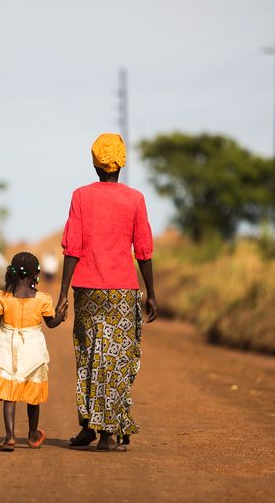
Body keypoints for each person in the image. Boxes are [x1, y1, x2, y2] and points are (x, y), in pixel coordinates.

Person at [56, 132, 158, 452]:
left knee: (89, 356)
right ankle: (107, 431)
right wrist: (151, 292)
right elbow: (143, 250)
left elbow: (72, 248)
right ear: (121, 163)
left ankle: (90, 424)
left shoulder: (81, 196)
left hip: (87, 289)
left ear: (95, 162)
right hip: (123, 291)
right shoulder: (135, 199)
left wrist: (62, 294)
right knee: (115, 359)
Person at [0, 252, 67, 451]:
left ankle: (10, 437)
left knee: (9, 395)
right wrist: (62, 314)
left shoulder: (1, 296)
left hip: (7, 346)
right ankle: (32, 435)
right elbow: (51, 323)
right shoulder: (42, 299)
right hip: (33, 349)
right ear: (36, 274)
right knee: (33, 396)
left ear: (12, 273)